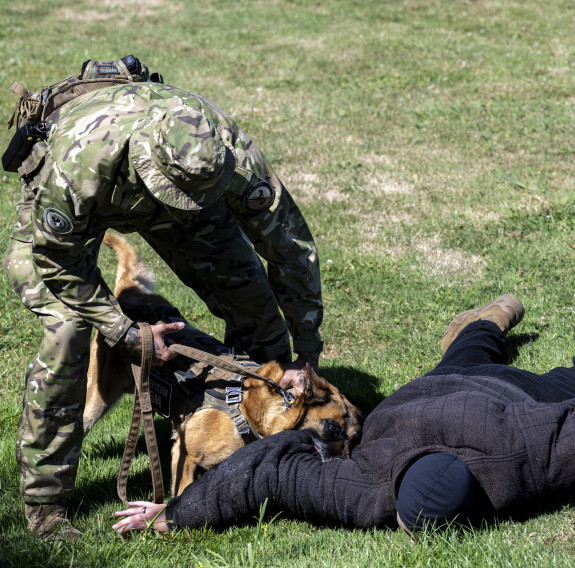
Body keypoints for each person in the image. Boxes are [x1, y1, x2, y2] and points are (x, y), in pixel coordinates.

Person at [3, 79, 323, 540]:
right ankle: (45, 500)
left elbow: (291, 249)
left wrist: (305, 356)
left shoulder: (228, 153)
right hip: (82, 207)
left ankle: (251, 455)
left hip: (176, 194)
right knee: (68, 331)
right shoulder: (80, 162)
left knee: (253, 299)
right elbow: (58, 261)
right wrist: (123, 331)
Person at [114, 294, 575, 536]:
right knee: (485, 362)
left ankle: (486, 322)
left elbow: (265, 476)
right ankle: (481, 326)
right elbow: (265, 475)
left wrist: (177, 512)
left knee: (473, 351)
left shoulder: (532, 447)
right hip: (464, 396)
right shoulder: (367, 487)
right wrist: (177, 514)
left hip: (444, 394)